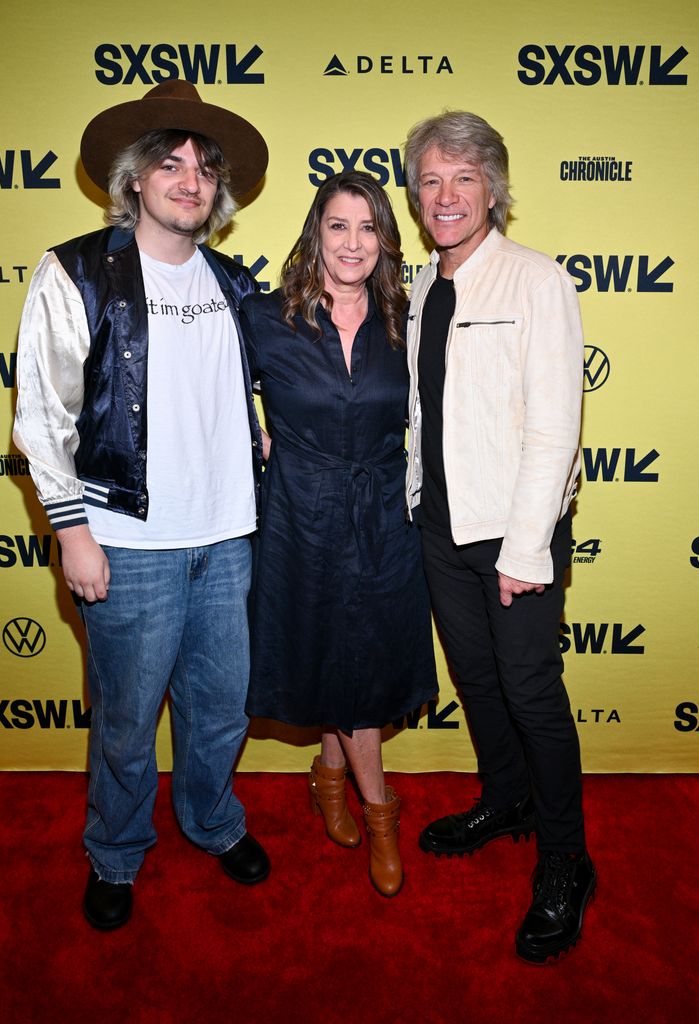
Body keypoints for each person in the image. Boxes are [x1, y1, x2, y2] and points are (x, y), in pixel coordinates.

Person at [13, 80, 271, 931]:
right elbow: (41, 417)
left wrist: (259, 431)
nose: (189, 179)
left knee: (221, 707)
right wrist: (72, 531)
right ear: (133, 179)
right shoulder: (76, 270)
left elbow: (244, 386)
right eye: (170, 163)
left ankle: (210, 821)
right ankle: (117, 854)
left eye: (202, 166)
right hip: (126, 540)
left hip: (229, 537)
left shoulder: (233, 280)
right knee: (125, 720)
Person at [403, 111, 595, 962]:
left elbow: (555, 428)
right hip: (440, 524)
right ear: (415, 195)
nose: (445, 197)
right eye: (430, 181)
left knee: (531, 692)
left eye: (463, 179)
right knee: (475, 678)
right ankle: (506, 797)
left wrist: (525, 549)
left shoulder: (536, 281)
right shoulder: (417, 288)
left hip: (515, 532)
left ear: (492, 189)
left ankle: (565, 860)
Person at [240, 171, 438, 897]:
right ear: (313, 233)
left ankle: (329, 779)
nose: (352, 243)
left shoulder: (408, 321)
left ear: (386, 239)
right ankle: (378, 811)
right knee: (334, 649)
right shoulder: (262, 318)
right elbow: (206, 397)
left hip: (385, 512)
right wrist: (252, 439)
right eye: (337, 226)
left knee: (359, 655)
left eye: (366, 228)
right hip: (298, 512)